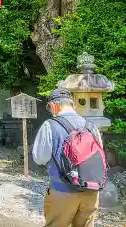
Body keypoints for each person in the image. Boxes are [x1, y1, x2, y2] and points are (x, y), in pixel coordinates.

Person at [33, 88, 104, 227]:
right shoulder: (91, 126)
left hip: (62, 191)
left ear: (53, 105)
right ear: (73, 105)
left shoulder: (50, 125)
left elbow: (39, 158)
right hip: (91, 191)